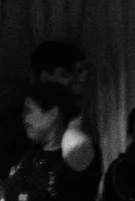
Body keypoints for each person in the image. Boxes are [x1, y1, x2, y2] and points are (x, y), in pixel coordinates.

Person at [31, 39, 103, 175]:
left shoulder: (84, 119)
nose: (81, 78)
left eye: (82, 71)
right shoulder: (21, 124)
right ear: (45, 78)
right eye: (67, 73)